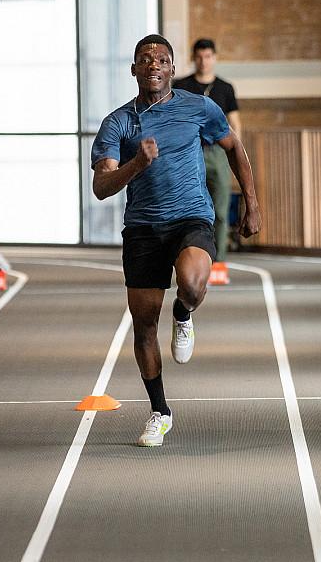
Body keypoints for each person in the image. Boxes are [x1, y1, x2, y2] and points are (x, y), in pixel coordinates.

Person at [90, 34, 263, 448]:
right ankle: (159, 412)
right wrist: (137, 163)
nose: (153, 65)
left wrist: (251, 204)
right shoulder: (117, 123)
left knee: (191, 281)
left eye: (161, 59)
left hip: (191, 217)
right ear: (134, 70)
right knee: (144, 324)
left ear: (172, 69)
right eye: (145, 60)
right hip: (143, 229)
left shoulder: (199, 107)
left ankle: (184, 313)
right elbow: (101, 186)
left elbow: (234, 146)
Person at [172, 39, 241, 260]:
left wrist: (237, 153)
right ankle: (187, 260)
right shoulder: (180, 86)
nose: (203, 61)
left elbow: (235, 123)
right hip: (189, 154)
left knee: (220, 209)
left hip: (218, 154)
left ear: (215, 58)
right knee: (186, 209)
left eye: (208, 56)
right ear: (193, 58)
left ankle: (218, 261)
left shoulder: (225, 88)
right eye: (199, 57)